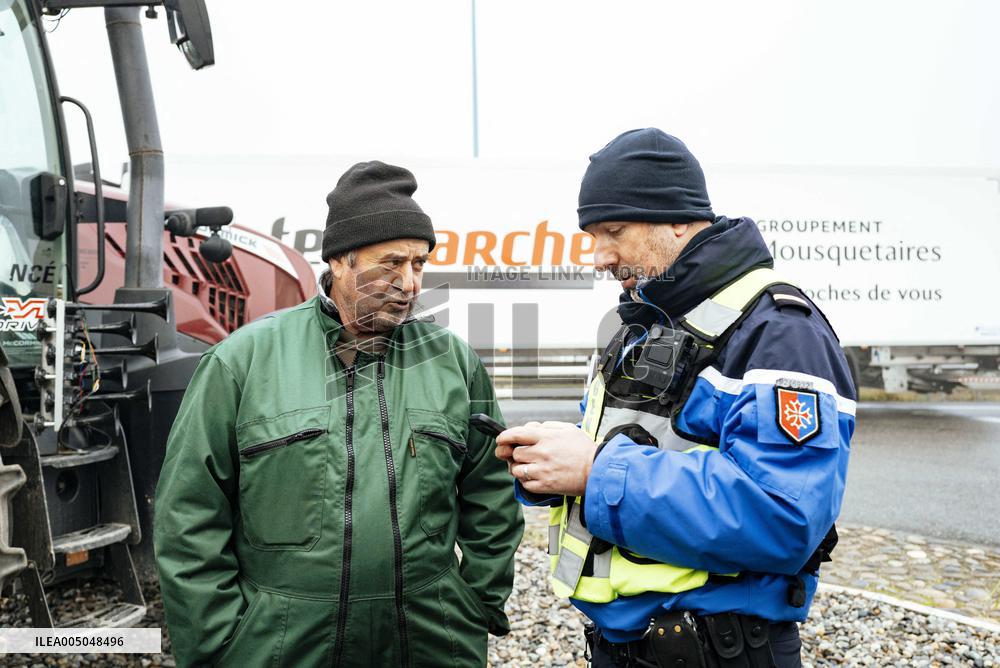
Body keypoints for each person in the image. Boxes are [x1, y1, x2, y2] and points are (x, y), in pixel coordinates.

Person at [495, 129, 854, 667]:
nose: (598, 257)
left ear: (679, 220)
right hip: (629, 648)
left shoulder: (778, 330)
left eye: (613, 231)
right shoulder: (644, 322)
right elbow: (642, 450)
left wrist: (595, 471)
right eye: (593, 235)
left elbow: (784, 517)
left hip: (722, 651)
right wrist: (552, 464)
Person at [155, 161, 523, 668]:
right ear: (341, 262)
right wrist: (222, 643)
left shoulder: (454, 364)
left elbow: (491, 491)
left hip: (431, 642)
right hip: (284, 645)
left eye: (419, 264)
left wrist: (475, 604)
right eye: (391, 262)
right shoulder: (241, 363)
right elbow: (188, 516)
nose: (410, 283)